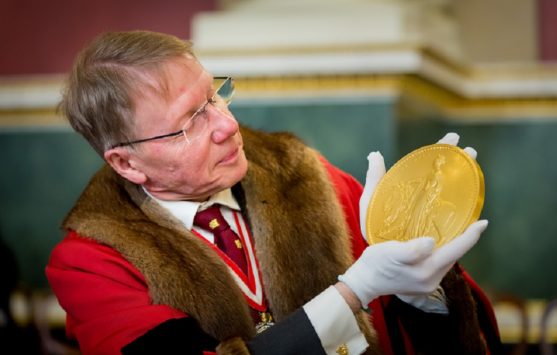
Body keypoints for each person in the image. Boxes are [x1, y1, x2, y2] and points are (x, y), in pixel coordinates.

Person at [46, 30, 502, 355]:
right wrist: (353, 291)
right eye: (190, 122)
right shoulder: (90, 264)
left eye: (215, 96)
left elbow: (424, 332)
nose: (227, 125)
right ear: (126, 162)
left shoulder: (308, 178)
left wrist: (424, 297)